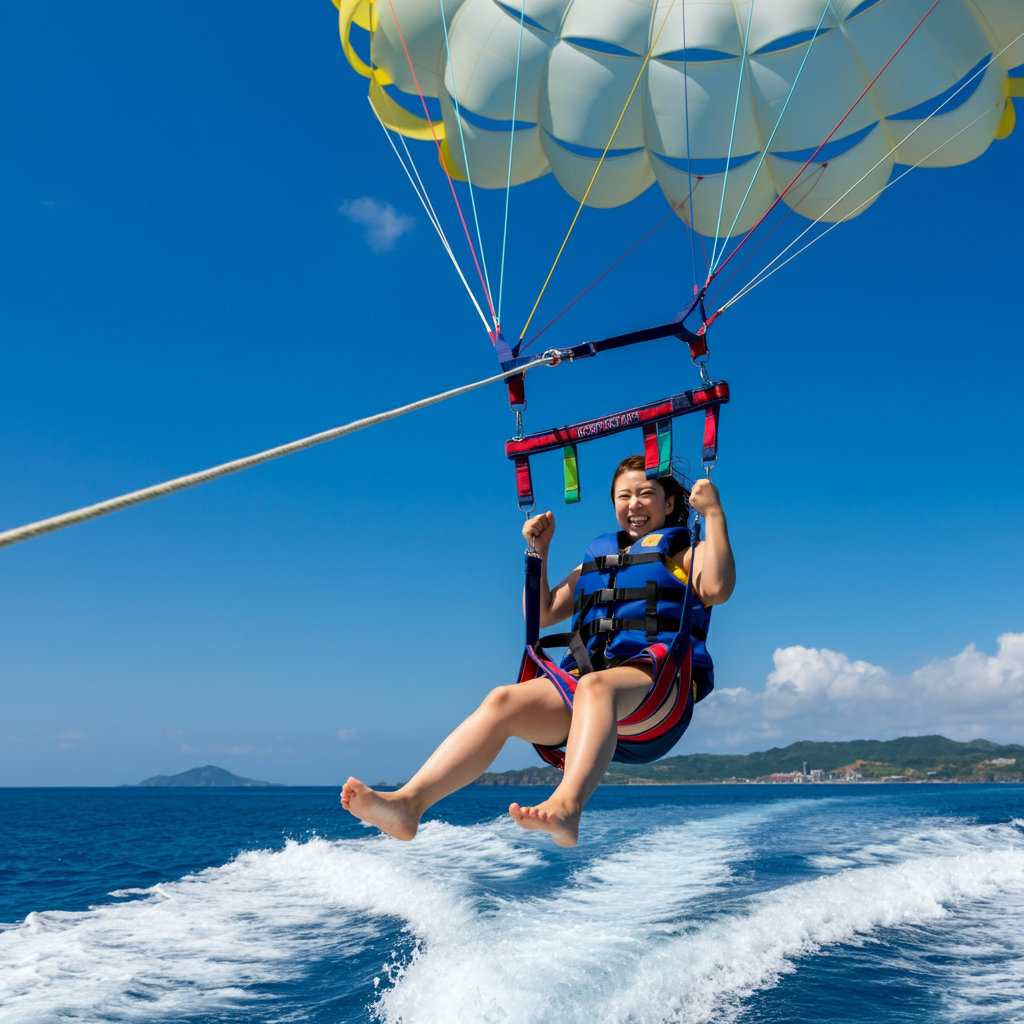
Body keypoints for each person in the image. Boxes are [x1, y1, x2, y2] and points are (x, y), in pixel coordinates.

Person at [341, 455, 735, 847]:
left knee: (595, 687)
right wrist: (539, 551)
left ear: (669, 504)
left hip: (657, 694)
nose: (633, 504)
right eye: (623, 495)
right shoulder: (594, 565)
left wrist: (714, 514)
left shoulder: (685, 554)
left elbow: (717, 587)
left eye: (646, 494)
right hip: (587, 698)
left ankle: (567, 805)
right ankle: (409, 804)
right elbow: (543, 612)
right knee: (502, 700)